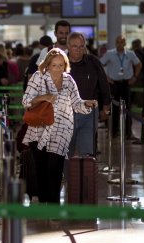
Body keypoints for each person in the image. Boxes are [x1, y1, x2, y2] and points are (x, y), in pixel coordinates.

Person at [22, 48, 98, 203]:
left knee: (55, 167)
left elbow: (76, 103)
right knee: (41, 168)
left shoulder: (69, 80)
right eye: (54, 65)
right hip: (39, 128)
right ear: (47, 65)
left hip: (62, 129)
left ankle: (54, 203)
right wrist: (44, 97)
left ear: (65, 66)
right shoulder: (38, 77)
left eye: (61, 65)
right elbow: (26, 101)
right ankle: (44, 201)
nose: (57, 68)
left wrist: (87, 104)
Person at [66, 32, 112, 157]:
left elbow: (103, 84)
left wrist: (106, 108)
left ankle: (86, 175)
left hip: (89, 112)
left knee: (87, 151)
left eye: (81, 46)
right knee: (66, 150)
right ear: (68, 46)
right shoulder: (60, 63)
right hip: (66, 114)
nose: (78, 50)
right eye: (75, 46)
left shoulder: (93, 62)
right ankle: (64, 175)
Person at [100, 35, 142, 138]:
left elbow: (139, 64)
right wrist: (106, 78)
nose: (120, 44)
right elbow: (99, 65)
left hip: (126, 83)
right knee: (113, 108)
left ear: (125, 43)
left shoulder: (130, 54)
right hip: (114, 84)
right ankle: (113, 132)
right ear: (115, 43)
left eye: (122, 42)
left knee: (127, 108)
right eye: (118, 42)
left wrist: (135, 77)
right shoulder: (110, 54)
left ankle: (128, 132)